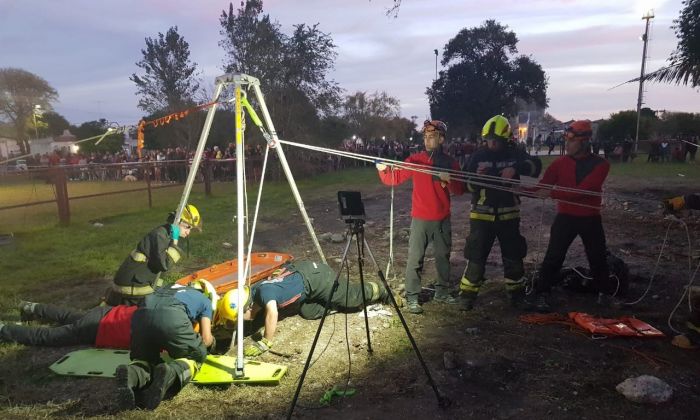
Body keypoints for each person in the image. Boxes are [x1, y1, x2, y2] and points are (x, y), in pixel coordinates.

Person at [375, 120, 465, 314]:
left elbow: (459, 190)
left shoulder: (450, 162)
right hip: (420, 219)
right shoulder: (416, 160)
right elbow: (394, 177)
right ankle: (412, 296)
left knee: (442, 257)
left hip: (442, 218)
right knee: (415, 258)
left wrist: (448, 180)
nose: (427, 139)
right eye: (425, 136)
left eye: (432, 136)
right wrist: (383, 170)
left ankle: (442, 292)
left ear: (442, 139)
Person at [459, 115, 542, 311]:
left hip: (508, 216)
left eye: (495, 140)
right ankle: (467, 295)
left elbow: (535, 167)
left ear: (505, 139)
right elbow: (465, 185)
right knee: (476, 257)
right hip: (481, 216)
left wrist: (515, 169)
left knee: (513, 256)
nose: (491, 144)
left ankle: (516, 295)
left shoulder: (515, 154)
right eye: (488, 140)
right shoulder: (477, 156)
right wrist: (477, 179)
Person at [527, 120, 611, 312]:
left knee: (597, 257)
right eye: (566, 139)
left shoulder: (601, 165)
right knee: (554, 256)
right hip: (565, 217)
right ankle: (542, 292)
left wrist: (552, 193)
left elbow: (582, 192)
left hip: (590, 218)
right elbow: (543, 186)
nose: (567, 144)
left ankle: (604, 294)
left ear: (584, 142)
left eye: (571, 140)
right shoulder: (559, 163)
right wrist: (516, 188)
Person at [232, 260, 396, 357]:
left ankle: (380, 290)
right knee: (308, 312)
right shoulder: (254, 290)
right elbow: (254, 313)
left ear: (248, 305)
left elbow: (272, 313)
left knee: (350, 298)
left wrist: (266, 341)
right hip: (303, 272)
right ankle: (331, 304)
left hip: (317, 278)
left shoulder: (265, 293)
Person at [115, 281, 216, 410]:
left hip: (141, 315)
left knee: (144, 359)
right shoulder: (204, 300)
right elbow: (206, 339)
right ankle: (171, 373)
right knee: (196, 355)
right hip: (172, 315)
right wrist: (211, 343)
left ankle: (131, 374)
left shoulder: (168, 288)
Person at [105, 204, 202, 306]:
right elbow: (164, 264)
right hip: (131, 286)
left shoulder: (166, 234)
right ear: (177, 221)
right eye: (187, 227)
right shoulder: (160, 235)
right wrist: (175, 243)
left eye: (190, 228)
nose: (188, 232)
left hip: (138, 279)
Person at [0, 301, 136, 348]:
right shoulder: (157, 338)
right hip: (96, 328)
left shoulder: (156, 310)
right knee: (47, 336)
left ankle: (32, 307)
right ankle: (3, 330)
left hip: (107, 312)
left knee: (69, 316)